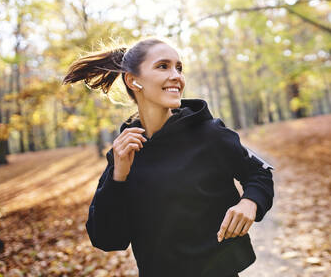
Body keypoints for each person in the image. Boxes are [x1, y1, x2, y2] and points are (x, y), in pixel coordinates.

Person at [62, 37, 275, 277]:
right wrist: (118, 177)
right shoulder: (125, 153)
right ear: (133, 81)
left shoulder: (209, 134)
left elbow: (260, 172)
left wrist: (250, 203)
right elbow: (107, 238)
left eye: (179, 67)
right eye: (163, 66)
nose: (176, 76)